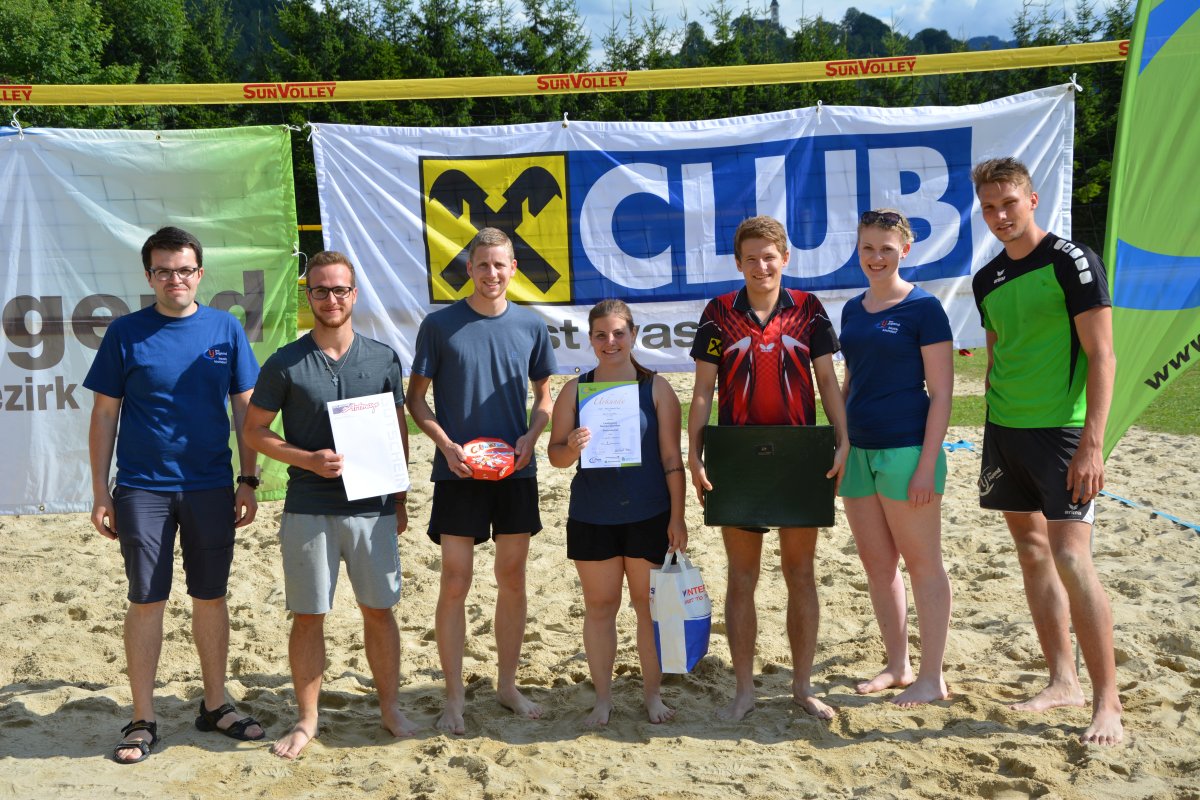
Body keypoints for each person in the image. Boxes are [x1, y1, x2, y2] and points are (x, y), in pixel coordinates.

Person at [85, 226, 264, 764]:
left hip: (210, 485)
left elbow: (245, 408)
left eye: (184, 270)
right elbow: (105, 415)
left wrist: (248, 479)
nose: (175, 279)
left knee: (211, 596)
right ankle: (142, 718)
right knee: (147, 599)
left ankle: (215, 705)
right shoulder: (125, 333)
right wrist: (100, 490)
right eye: (163, 271)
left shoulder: (225, 328)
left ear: (200, 274)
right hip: (142, 488)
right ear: (149, 276)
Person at [242, 250, 418, 759]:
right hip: (309, 506)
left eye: (340, 289)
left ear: (354, 294)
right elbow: (254, 431)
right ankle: (307, 719)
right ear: (309, 296)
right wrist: (308, 460)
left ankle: (390, 708)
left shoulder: (382, 358)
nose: (331, 298)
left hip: (372, 507)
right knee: (308, 615)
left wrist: (399, 498)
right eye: (320, 290)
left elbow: (397, 434)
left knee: (379, 611)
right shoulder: (285, 362)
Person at [971, 157, 1122, 746]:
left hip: (1063, 432)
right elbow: (997, 357)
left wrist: (1092, 445)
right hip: (1005, 432)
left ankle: (1107, 702)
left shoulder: (1071, 260)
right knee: (1032, 552)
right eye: (989, 207)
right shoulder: (987, 279)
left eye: (1009, 203)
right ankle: (1063, 681)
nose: (1000, 215)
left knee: (1071, 558)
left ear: (1032, 200)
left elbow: (1103, 356)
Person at [687, 215, 849, 721]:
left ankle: (802, 686)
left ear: (786, 258)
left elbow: (827, 381)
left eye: (770, 256)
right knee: (742, 577)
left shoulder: (809, 309)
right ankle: (744, 690)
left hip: (801, 454)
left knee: (801, 573)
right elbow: (702, 390)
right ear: (738, 262)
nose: (761, 266)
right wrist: (694, 453)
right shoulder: (717, 313)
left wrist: (842, 439)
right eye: (752, 258)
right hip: (737, 455)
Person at [406, 227, 557, 735]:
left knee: (511, 579)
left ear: (514, 268)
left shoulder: (531, 325)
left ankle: (507, 685)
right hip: (458, 471)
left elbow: (544, 395)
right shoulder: (439, 325)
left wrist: (533, 435)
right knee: (455, 580)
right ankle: (453, 696)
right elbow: (415, 400)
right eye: (483, 264)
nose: (492, 273)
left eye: (500, 264)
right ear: (469, 269)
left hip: (515, 469)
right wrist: (446, 445)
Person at [547, 299, 688, 727]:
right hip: (593, 514)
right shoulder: (575, 390)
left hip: (648, 512)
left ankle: (652, 695)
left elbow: (672, 459)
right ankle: (603, 699)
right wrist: (572, 447)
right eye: (601, 335)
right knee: (600, 606)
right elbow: (555, 457)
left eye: (618, 333)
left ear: (633, 335)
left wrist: (677, 517)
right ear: (590, 340)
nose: (610, 342)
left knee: (648, 608)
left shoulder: (657, 388)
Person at [838, 209, 954, 707]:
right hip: (859, 452)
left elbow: (942, 394)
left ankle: (932, 677)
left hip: (907, 451)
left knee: (924, 565)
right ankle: (898, 665)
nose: (876, 257)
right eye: (868, 247)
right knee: (878, 566)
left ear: (904, 250)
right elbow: (850, 383)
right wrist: (841, 442)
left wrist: (927, 465)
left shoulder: (924, 308)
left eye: (886, 248)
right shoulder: (852, 308)